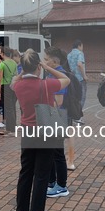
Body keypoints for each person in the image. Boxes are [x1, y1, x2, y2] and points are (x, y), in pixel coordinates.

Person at [11, 49, 70, 211]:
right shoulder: (46, 84)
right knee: (41, 175)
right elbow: (66, 79)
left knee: (26, 171)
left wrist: (24, 70)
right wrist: (46, 67)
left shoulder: (18, 86)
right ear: (38, 66)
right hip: (46, 132)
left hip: (27, 132)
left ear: (23, 67)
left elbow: (14, 81)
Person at [43, 46, 70, 198]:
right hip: (51, 117)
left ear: (54, 61)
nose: (44, 62)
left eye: (46, 60)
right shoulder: (51, 74)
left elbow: (58, 101)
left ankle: (62, 185)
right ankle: (52, 181)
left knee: (58, 153)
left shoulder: (59, 75)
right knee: (52, 152)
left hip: (57, 118)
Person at [0, 46, 18, 135]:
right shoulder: (14, 62)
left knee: (8, 108)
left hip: (5, 86)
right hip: (14, 86)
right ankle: (12, 128)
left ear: (2, 54)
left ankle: (11, 129)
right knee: (12, 107)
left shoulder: (2, 64)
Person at [67, 39, 88, 111]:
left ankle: (73, 113)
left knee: (74, 97)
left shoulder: (69, 54)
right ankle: (78, 114)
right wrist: (84, 76)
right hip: (80, 78)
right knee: (82, 96)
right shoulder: (80, 53)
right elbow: (80, 64)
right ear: (79, 46)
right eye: (82, 46)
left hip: (72, 78)